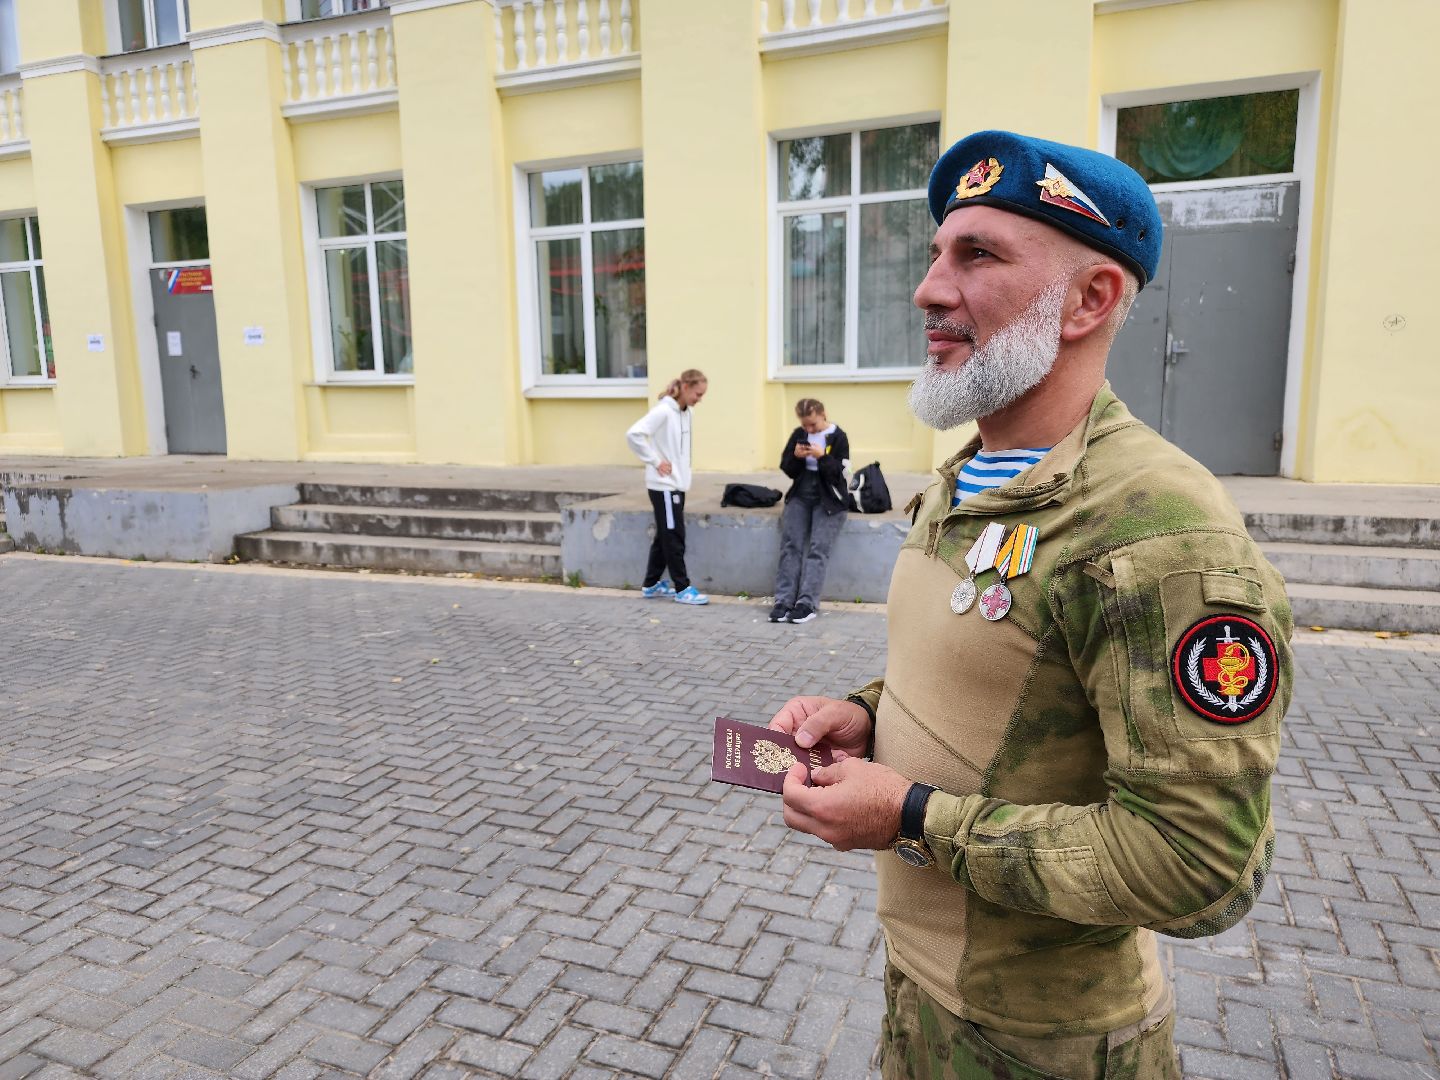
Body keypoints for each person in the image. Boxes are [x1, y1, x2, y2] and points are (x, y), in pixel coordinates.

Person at [768, 131, 1293, 1079]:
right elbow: (1005, 674)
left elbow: (1199, 866)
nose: (928, 289)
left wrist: (912, 817)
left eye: (979, 255)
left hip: (1043, 1043)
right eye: (937, 251)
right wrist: (868, 715)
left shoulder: (1158, 529)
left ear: (1090, 299)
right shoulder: (969, 476)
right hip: (921, 996)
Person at [626, 369, 710, 606]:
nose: (700, 399)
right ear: (685, 387)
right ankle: (682, 588)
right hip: (663, 486)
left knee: (665, 535)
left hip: (677, 485)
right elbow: (634, 434)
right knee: (674, 537)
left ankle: (651, 584)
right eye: (698, 394)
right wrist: (655, 461)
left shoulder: (687, 412)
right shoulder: (663, 411)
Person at [771, 399, 850, 625]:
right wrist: (796, 457)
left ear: (823, 414)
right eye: (805, 425)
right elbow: (788, 468)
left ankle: (807, 603)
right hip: (801, 493)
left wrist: (822, 456)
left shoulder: (839, 436)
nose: (809, 429)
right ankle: (783, 601)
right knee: (790, 546)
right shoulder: (799, 434)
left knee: (818, 550)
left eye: (813, 425)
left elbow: (840, 474)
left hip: (829, 499)